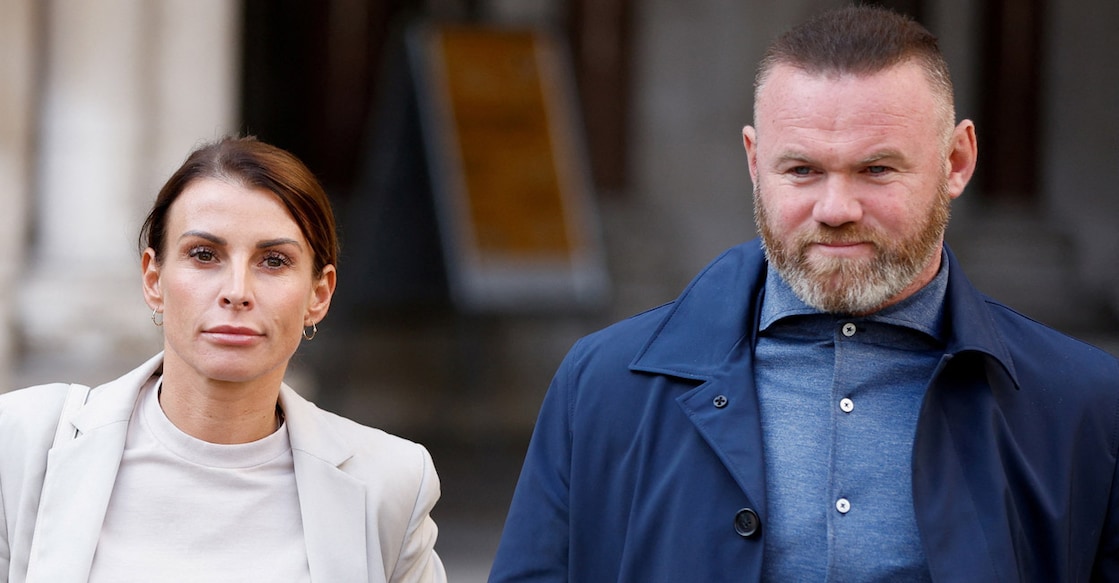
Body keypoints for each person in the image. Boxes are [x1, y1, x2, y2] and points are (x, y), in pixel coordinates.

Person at [488, 5, 1119, 582]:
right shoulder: (601, 385)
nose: (836, 208)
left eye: (876, 169)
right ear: (753, 161)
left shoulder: (1085, 407)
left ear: (956, 161)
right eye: (802, 170)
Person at [0, 136, 447, 582]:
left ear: (319, 293)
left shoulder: (390, 484)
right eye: (204, 255)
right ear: (154, 279)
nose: (237, 291)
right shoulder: (22, 444)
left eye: (273, 260)